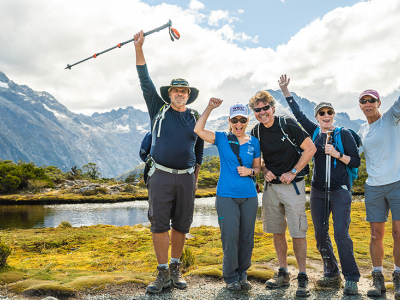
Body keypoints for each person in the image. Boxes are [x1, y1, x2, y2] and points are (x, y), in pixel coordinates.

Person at [133, 30, 204, 294]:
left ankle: (175, 269)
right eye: (175, 90)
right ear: (169, 93)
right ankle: (162, 272)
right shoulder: (158, 109)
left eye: (183, 91)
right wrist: (139, 47)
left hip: (186, 177)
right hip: (160, 175)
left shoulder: (195, 117)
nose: (179, 94)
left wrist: (195, 179)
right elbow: (144, 79)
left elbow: (199, 150)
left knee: (182, 225)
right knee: (159, 223)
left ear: (188, 95)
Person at [278, 74, 361, 295]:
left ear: (333, 115)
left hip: (340, 191)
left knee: (341, 233)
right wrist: (286, 91)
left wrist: (337, 154)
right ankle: (331, 271)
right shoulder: (314, 131)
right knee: (320, 233)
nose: (326, 115)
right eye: (322, 113)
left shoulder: (343, 134)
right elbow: (298, 114)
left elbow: (356, 160)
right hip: (317, 192)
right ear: (317, 116)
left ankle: (351, 277)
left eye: (329, 112)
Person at [249, 89, 316, 297]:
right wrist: (266, 172)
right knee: (277, 231)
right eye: (257, 110)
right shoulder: (256, 132)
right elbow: (259, 161)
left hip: (293, 185)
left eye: (265, 108)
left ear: (273, 107)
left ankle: (303, 276)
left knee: (297, 231)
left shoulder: (287, 124)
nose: (262, 112)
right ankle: (283, 272)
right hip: (271, 189)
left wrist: (293, 171)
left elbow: (311, 149)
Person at [194, 99, 261, 291]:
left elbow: (258, 168)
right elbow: (198, 130)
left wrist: (251, 172)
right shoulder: (222, 138)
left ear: (247, 121)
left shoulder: (254, 142)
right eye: (235, 120)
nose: (238, 124)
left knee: (247, 237)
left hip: (249, 196)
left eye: (242, 120)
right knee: (230, 236)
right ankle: (230, 276)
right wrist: (210, 107)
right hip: (226, 196)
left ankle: (242, 274)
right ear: (229, 121)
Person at [357, 89, 400, 298]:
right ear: (360, 106)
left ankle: (398, 278)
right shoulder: (362, 129)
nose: (368, 104)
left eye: (371, 101)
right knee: (375, 235)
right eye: (363, 101)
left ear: (379, 102)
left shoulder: (392, 118)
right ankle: (377, 278)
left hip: (397, 183)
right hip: (373, 186)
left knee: (399, 234)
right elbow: (351, 155)